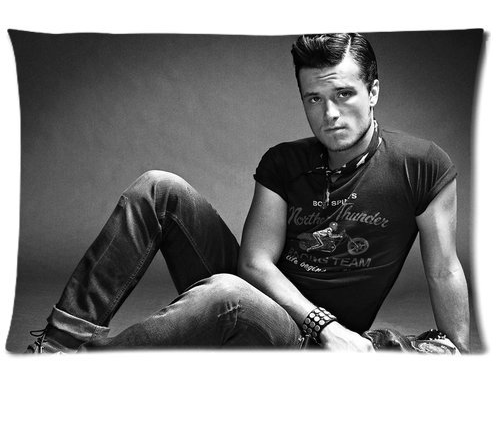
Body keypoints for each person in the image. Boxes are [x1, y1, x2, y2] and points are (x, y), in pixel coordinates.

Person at [26, 33, 470, 354]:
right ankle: (57, 347)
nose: (330, 113)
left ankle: (89, 369)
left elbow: (444, 268)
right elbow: (254, 263)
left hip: (313, 343)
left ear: (373, 91)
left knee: (226, 294)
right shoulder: (284, 161)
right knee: (159, 187)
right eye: (314, 99)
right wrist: (319, 319)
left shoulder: (422, 165)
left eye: (343, 94)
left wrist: (459, 355)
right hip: (279, 305)